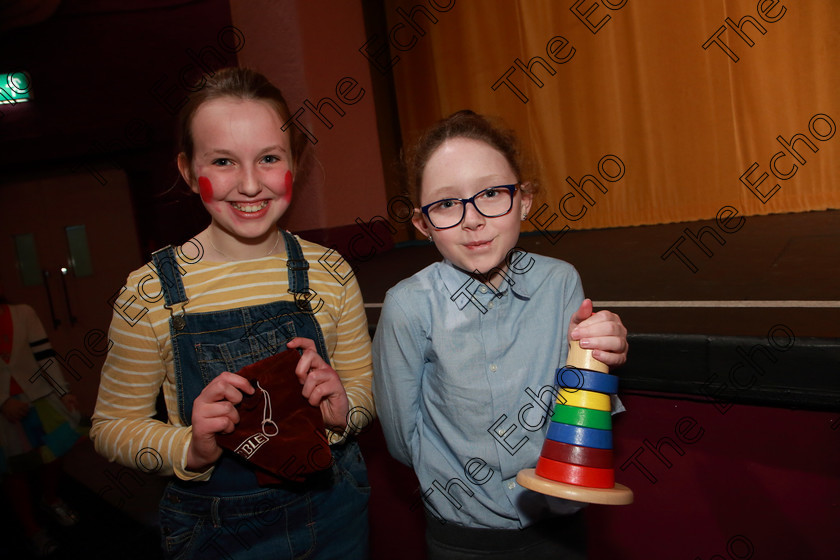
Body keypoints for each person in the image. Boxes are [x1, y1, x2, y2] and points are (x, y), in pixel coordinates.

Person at [91, 67, 373, 560]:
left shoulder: (330, 272)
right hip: (217, 529)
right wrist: (191, 448)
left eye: (268, 158)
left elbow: (365, 392)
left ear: (295, 162)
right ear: (186, 169)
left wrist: (343, 410)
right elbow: (111, 427)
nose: (248, 184)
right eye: (223, 161)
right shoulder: (149, 291)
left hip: (334, 514)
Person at [372, 110, 629, 559]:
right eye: (447, 204)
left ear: (524, 199)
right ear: (422, 223)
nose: (472, 219)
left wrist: (596, 362)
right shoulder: (409, 305)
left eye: (491, 193)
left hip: (559, 527)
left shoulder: (560, 283)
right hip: (464, 537)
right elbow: (401, 438)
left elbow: (582, 417)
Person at [0, 293, 85, 557]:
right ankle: (32, 529)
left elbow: (44, 354)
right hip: (4, 410)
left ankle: (50, 499)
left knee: (55, 452)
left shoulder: (23, 312)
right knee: (16, 470)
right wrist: (2, 401)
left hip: (39, 397)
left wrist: (63, 391)